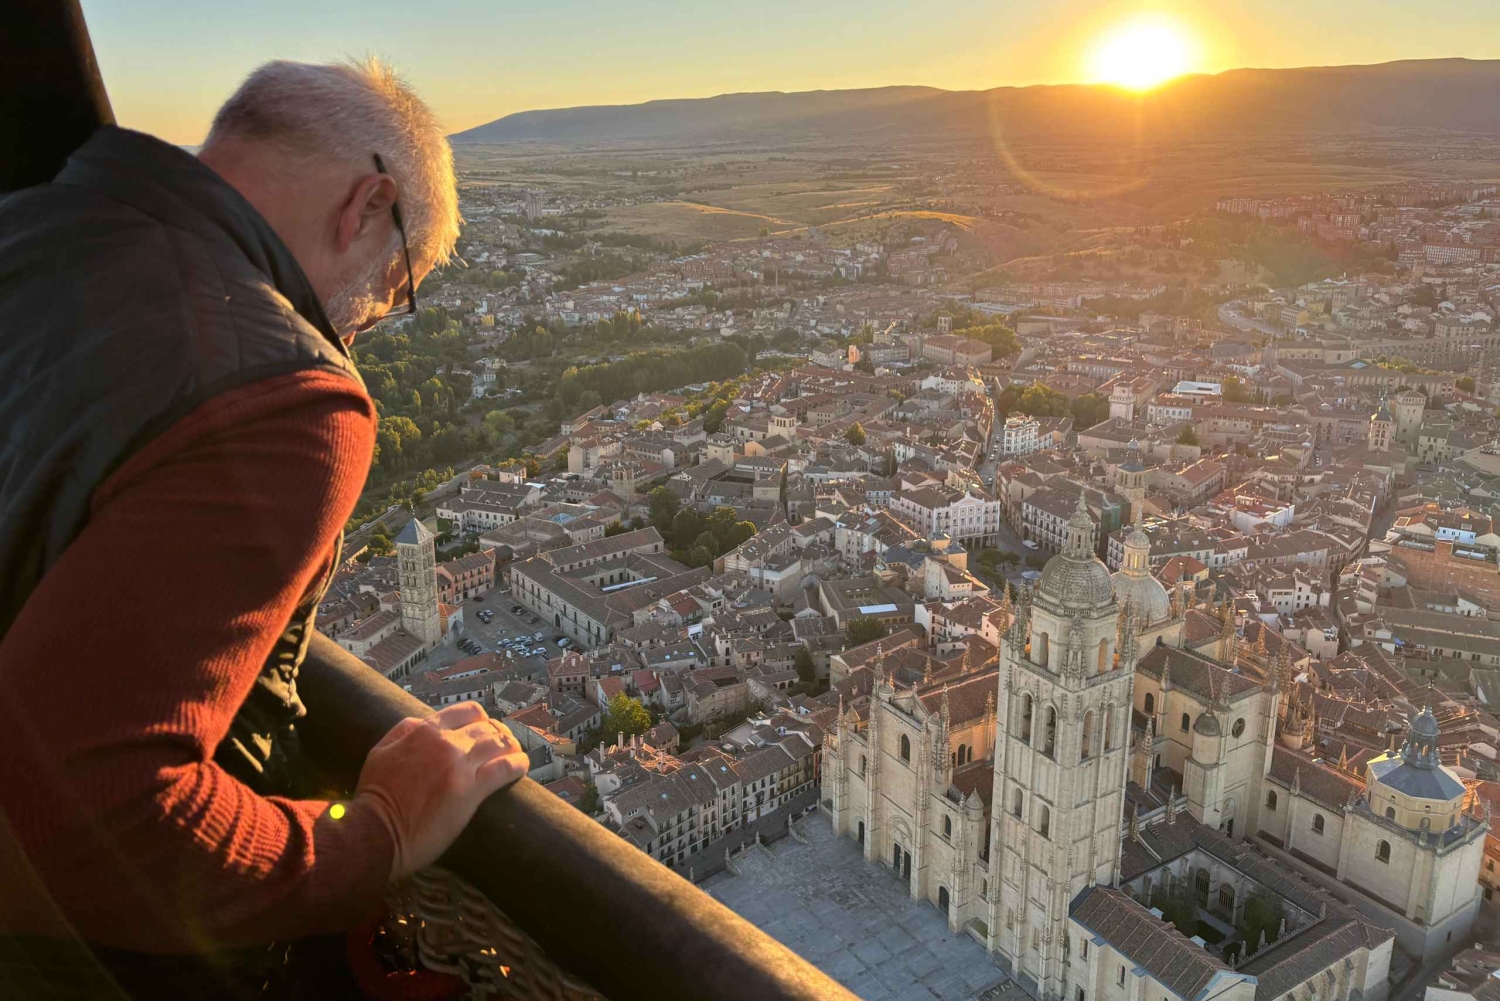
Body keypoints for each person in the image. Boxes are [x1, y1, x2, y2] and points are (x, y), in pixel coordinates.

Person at [0, 59, 528, 995]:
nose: (360, 329)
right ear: (367, 206)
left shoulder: (30, 230)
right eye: (392, 290)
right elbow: (89, 823)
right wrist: (380, 833)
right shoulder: (282, 398)